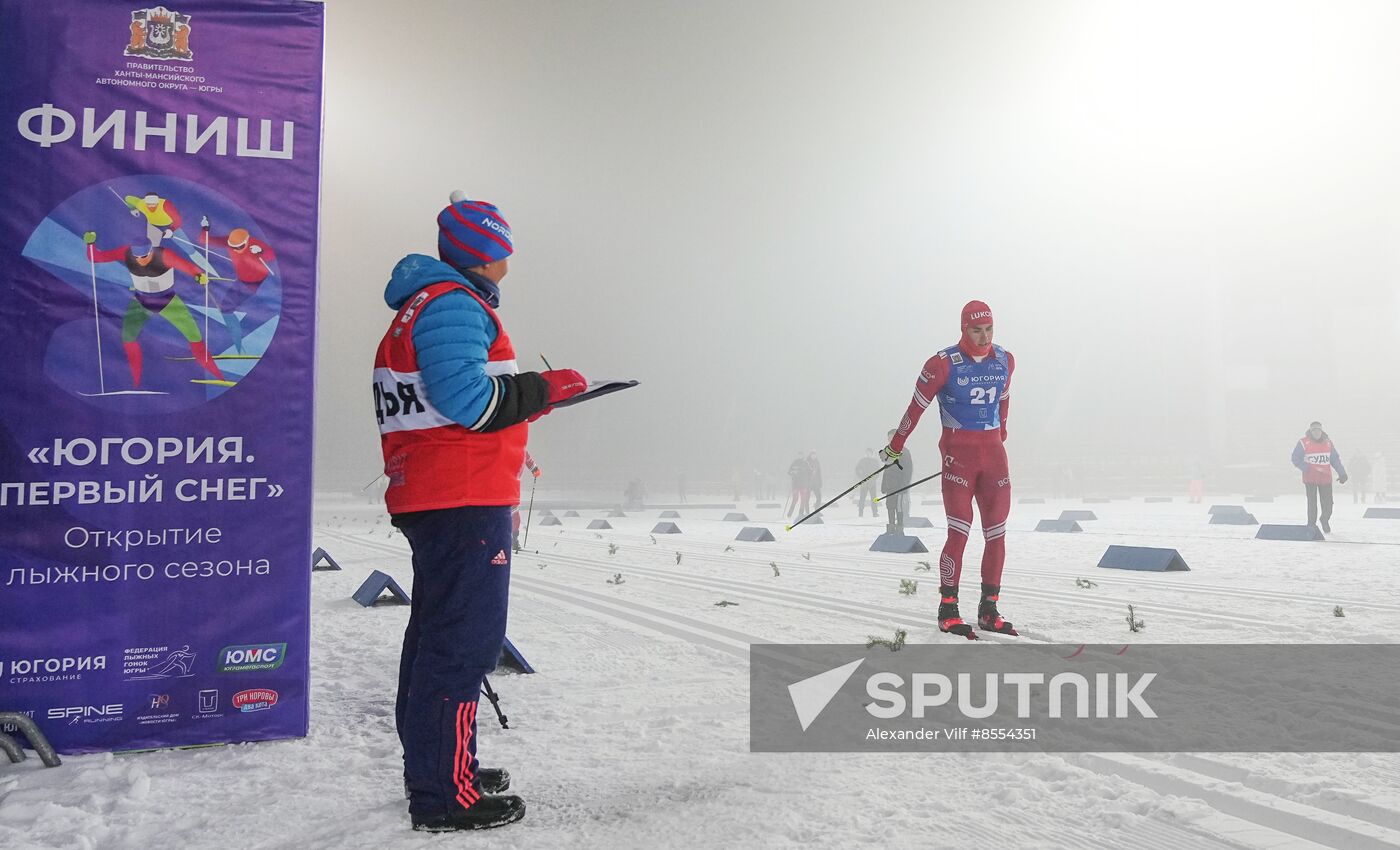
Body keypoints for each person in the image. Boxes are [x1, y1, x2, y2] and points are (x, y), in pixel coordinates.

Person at [373, 191, 587, 832]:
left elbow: (451, 399)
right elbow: (469, 401)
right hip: (461, 497)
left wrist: (528, 399)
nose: (508, 265)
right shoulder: (453, 307)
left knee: (436, 638)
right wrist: (547, 388)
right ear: (489, 252)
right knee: (463, 647)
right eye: (505, 252)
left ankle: (442, 767)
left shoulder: (425, 305)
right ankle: (444, 795)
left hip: (441, 492)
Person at [881, 300, 1016, 638]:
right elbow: (916, 407)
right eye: (976, 330)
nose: (984, 338)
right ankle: (948, 608)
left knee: (996, 534)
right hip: (959, 458)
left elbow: (1004, 398)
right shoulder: (942, 364)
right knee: (959, 532)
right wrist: (896, 444)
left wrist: (1002, 429)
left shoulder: (1005, 360)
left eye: (988, 330)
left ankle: (989, 608)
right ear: (963, 328)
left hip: (994, 458)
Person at [84, 231, 223, 386]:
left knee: (195, 337)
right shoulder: (126, 253)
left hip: (169, 303)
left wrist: (199, 275)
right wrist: (90, 244)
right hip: (140, 302)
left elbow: (189, 267)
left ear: (151, 250)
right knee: (128, 339)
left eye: (144, 256)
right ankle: (135, 382)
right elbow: (96, 258)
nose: (140, 261)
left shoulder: (164, 255)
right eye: (136, 257)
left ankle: (217, 375)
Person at [199, 220, 277, 353]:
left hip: (252, 283)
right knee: (226, 309)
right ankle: (239, 345)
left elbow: (271, 255)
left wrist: (261, 251)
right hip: (241, 280)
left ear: (247, 241)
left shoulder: (255, 245)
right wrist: (205, 227)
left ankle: (240, 347)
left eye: (239, 247)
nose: (235, 249)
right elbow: (204, 240)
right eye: (232, 246)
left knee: (226, 309)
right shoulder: (231, 242)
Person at [1291, 421, 1347, 533]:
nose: (1317, 432)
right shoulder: (1303, 442)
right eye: (1314, 430)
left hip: (1325, 478)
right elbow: (1295, 458)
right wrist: (1306, 468)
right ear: (1311, 432)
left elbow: (1335, 459)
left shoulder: (1328, 443)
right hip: (1310, 478)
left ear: (1322, 431)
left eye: (1318, 430)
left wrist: (1342, 473)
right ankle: (1311, 524)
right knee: (1312, 503)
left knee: (1328, 504)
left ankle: (1324, 519)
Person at [880, 431, 912, 533]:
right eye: (889, 437)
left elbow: (908, 470)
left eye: (892, 437)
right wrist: (884, 485)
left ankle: (899, 528)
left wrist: (904, 486)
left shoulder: (904, 451)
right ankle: (891, 528)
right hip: (890, 485)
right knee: (890, 506)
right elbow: (886, 470)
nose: (890, 439)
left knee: (899, 507)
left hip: (899, 485)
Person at [511, 451, 540, 551]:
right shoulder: (505, 448)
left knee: (515, 516)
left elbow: (529, 460)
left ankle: (513, 539)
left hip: (513, 490)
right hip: (501, 488)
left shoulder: (521, 451)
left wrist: (535, 470)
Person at [854, 449, 881, 517]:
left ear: (871, 453)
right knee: (862, 498)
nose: (868, 454)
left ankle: (875, 512)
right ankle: (860, 512)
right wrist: (861, 477)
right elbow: (857, 469)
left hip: (872, 483)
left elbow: (878, 471)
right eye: (867, 453)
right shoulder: (863, 461)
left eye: (869, 453)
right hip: (864, 483)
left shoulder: (875, 461)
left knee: (874, 498)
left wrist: (874, 478)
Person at [786, 451, 811, 517]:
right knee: (795, 499)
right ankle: (789, 514)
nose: (800, 456)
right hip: (795, 484)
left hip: (803, 484)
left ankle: (801, 514)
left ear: (803, 455)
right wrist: (793, 473)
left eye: (801, 455)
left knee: (803, 499)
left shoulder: (805, 463)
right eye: (799, 455)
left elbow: (809, 472)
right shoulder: (795, 462)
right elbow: (789, 472)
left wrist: (804, 472)